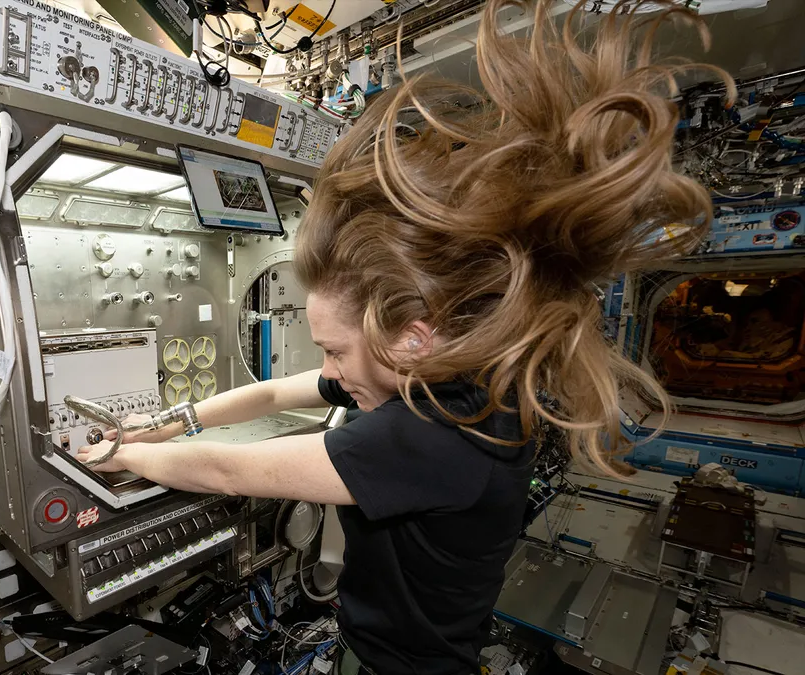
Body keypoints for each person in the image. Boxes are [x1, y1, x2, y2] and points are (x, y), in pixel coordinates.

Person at [77, 1, 734, 672]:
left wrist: (127, 458)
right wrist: (169, 423)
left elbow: (229, 469)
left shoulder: (430, 437)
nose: (329, 365)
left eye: (334, 348)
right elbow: (275, 391)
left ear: (414, 337)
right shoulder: (447, 378)